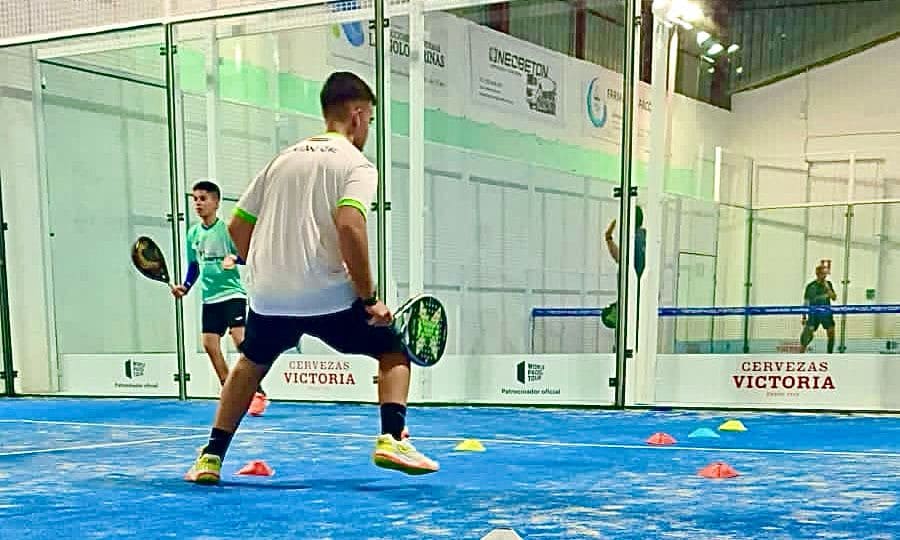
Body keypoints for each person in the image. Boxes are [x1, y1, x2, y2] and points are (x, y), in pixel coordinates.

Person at [184, 72, 439, 484]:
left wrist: (265, 266)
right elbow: (350, 226)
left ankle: (210, 458)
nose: (367, 128)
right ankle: (392, 438)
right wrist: (369, 297)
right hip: (329, 297)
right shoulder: (356, 164)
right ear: (357, 116)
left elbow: (236, 228)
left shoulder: (280, 160)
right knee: (394, 350)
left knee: (250, 363)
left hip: (269, 296)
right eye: (369, 120)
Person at [171, 180, 269, 417]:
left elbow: (248, 255)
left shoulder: (226, 229)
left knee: (241, 342)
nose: (198, 203)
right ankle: (231, 392)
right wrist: (185, 287)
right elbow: (194, 265)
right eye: (195, 199)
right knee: (209, 345)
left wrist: (234, 260)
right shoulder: (193, 233)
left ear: (216, 202)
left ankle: (258, 391)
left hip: (232, 294)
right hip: (209, 298)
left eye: (203, 199)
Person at [601, 205, 646, 329]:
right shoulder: (644, 237)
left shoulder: (633, 239)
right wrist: (608, 238)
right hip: (637, 298)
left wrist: (608, 238)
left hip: (632, 297)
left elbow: (620, 258)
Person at [800, 263, 837, 353]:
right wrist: (804, 317)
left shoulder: (828, 284)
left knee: (831, 333)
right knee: (807, 336)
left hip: (826, 314)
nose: (824, 276)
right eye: (822, 274)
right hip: (813, 315)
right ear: (818, 274)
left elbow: (834, 297)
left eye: (825, 274)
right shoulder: (811, 286)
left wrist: (828, 288)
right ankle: (801, 354)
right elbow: (806, 302)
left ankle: (830, 355)